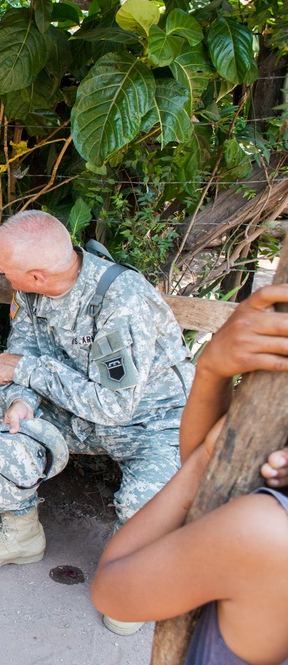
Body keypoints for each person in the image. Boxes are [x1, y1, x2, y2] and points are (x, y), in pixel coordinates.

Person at [0, 210, 194, 636]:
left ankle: (129, 577)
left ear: (37, 274)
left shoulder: (121, 300)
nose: (3, 276)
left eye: (6, 272)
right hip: (75, 410)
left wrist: (29, 373)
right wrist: (23, 398)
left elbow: (113, 406)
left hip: (151, 422)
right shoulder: (33, 291)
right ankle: (21, 535)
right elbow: (21, 346)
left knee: (147, 502)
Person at [91, 284, 288, 665]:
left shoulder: (264, 533)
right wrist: (212, 373)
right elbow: (223, 473)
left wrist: (211, 370)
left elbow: (111, 590)